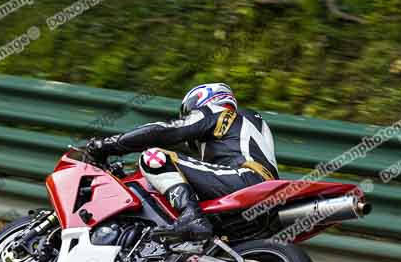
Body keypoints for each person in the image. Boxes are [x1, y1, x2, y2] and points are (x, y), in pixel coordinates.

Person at [87, 83, 278, 242]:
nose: (188, 115)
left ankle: (191, 217)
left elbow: (164, 131)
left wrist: (107, 145)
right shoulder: (247, 125)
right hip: (260, 190)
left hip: (246, 179)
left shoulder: (218, 111)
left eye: (189, 110)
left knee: (154, 157)